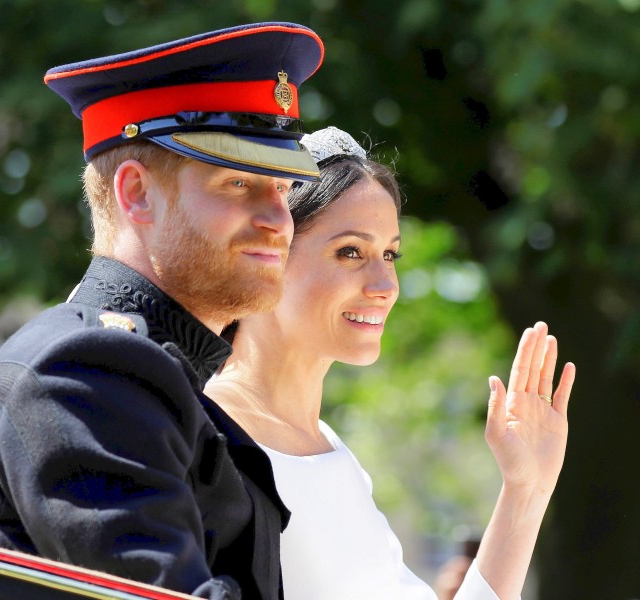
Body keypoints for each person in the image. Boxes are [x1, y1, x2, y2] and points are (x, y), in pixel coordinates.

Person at [0, 22, 325, 600]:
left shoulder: (144, 374)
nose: (279, 219)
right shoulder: (85, 375)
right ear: (136, 193)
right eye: (240, 182)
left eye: (285, 188)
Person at [205, 126, 577, 599]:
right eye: (350, 252)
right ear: (269, 255)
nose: (385, 285)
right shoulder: (208, 438)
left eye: (389, 254)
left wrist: (527, 490)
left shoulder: (334, 454)